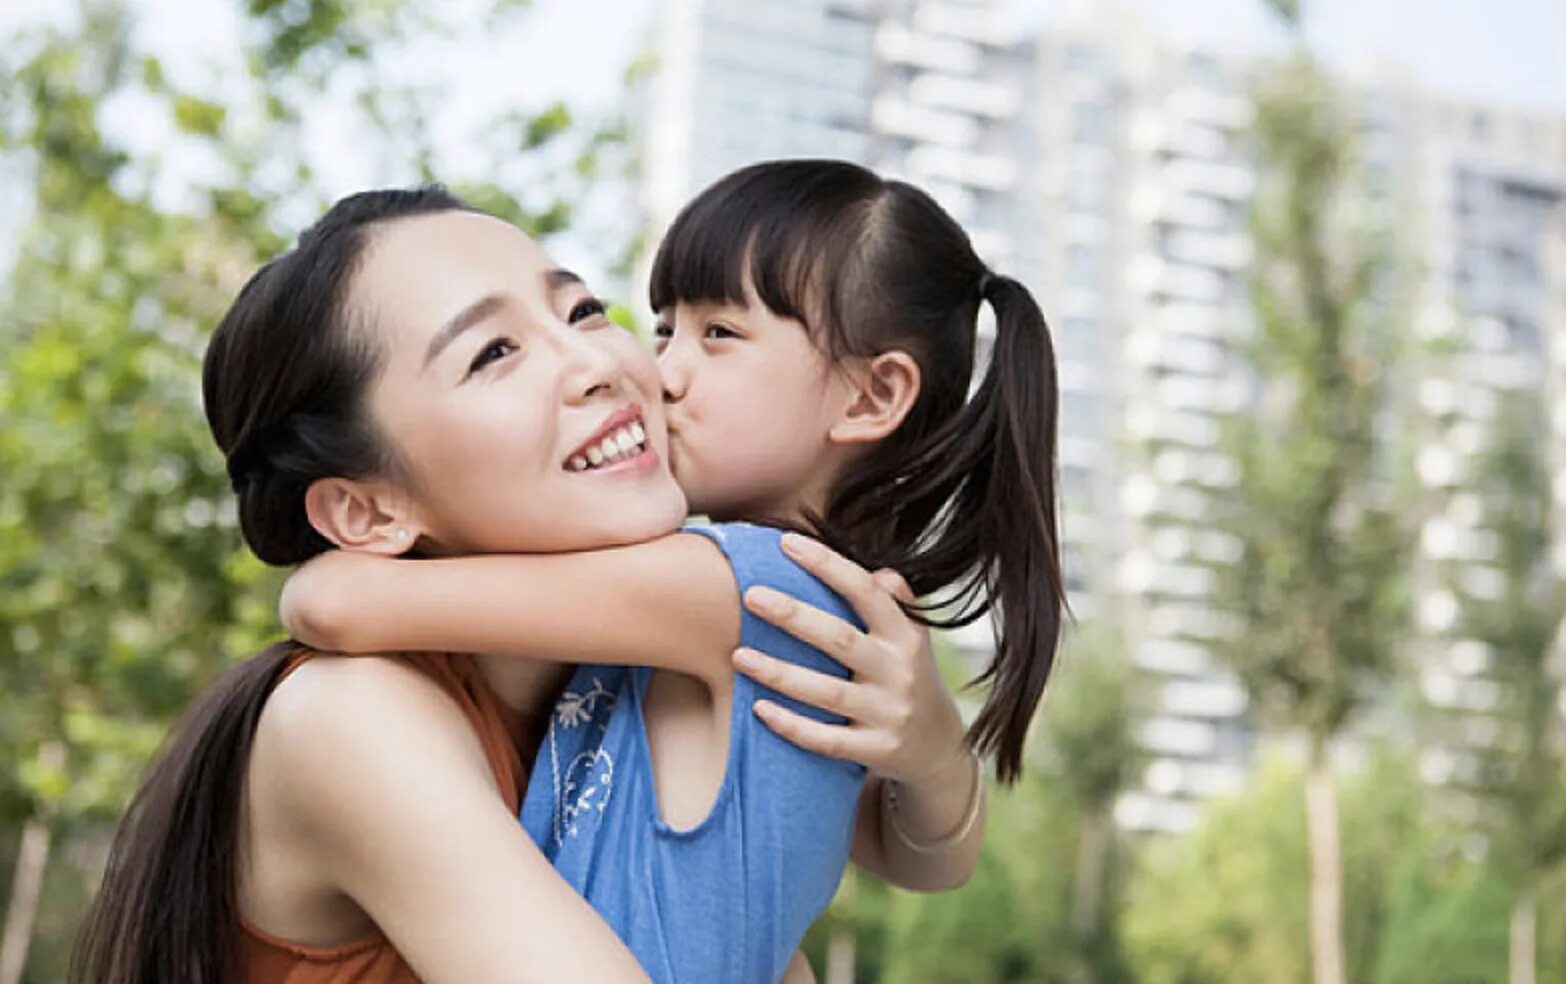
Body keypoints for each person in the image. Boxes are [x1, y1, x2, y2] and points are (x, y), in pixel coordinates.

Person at [72, 184, 973, 984]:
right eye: (493, 353)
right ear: (367, 511)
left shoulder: (639, 698)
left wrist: (931, 750)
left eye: (580, 311)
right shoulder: (349, 716)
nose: (607, 364)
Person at [284, 159, 1068, 981]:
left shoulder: (737, 587)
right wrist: (937, 760)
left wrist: (322, 569)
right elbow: (924, 861)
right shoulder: (812, 609)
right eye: (664, 329)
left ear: (870, 398)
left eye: (719, 335)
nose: (661, 372)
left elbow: (345, 602)